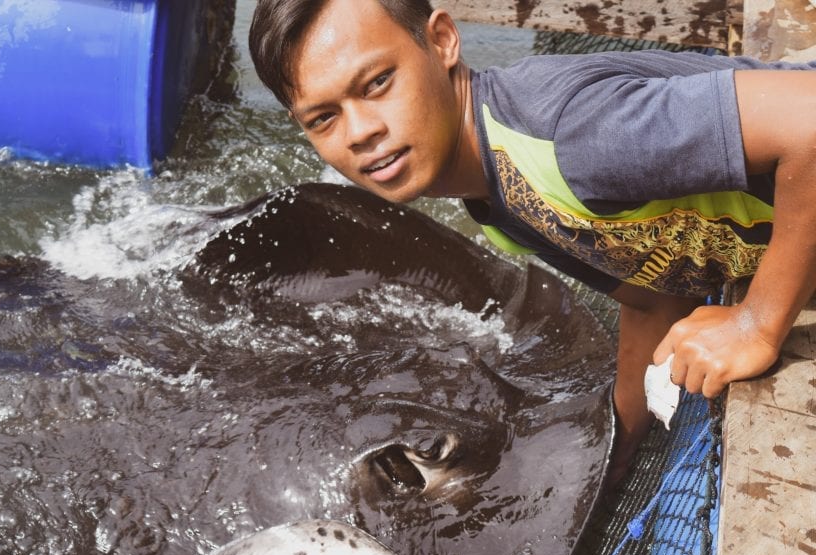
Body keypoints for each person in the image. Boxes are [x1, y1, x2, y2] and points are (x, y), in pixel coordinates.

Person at [247, 0, 816, 485]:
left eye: (377, 83)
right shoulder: (497, 196)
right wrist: (614, 454)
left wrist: (756, 323)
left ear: (442, 41)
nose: (359, 131)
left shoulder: (571, 136)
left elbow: (811, 122)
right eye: (323, 118)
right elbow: (651, 299)